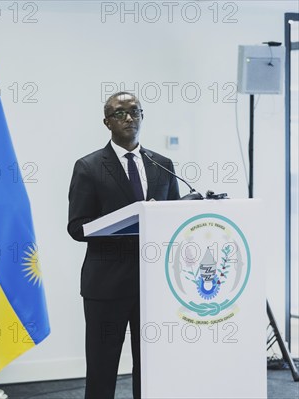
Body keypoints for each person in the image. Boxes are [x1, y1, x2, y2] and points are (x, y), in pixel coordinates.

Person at [67, 91, 180, 399]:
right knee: (103, 371)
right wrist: (118, 224)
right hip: (106, 285)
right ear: (107, 122)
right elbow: (77, 227)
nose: (129, 117)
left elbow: (175, 219)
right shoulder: (88, 167)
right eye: (120, 113)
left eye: (135, 111)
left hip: (153, 286)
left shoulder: (163, 164)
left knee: (152, 369)